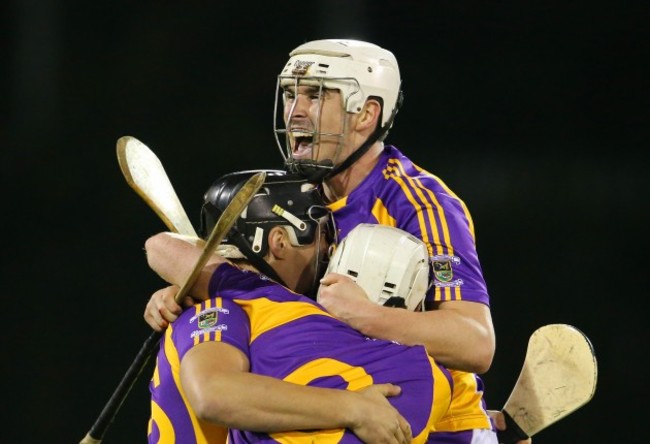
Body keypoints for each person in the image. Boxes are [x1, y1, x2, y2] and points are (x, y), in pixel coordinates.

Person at [145, 39, 531, 444]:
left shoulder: (418, 203)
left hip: (428, 425)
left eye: (316, 96)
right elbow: (263, 295)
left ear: (366, 114)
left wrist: (366, 316)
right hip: (330, 405)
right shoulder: (293, 195)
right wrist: (189, 290)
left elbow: (475, 342)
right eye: (291, 94)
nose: (295, 111)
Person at [146, 170, 453, 444]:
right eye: (321, 237)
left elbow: (213, 395)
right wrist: (353, 407)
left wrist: (353, 408)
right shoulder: (434, 378)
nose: (325, 254)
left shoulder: (256, 302)